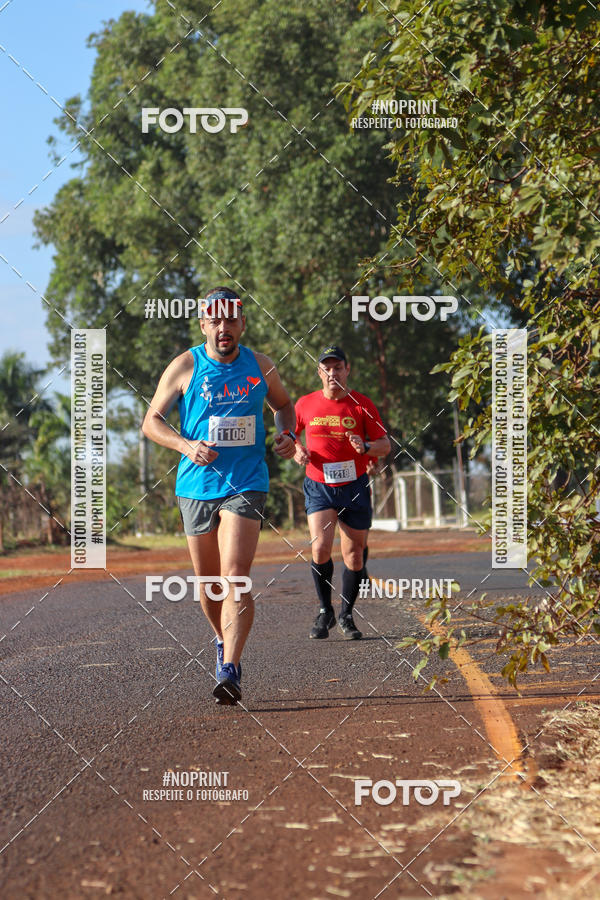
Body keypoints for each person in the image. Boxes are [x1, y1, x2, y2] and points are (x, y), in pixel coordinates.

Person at [142, 287, 296, 704]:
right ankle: (221, 640)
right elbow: (151, 423)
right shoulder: (185, 365)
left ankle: (230, 667)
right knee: (208, 585)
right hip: (195, 485)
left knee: (234, 574)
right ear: (204, 323)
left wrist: (288, 433)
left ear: (242, 323)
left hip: (246, 481)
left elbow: (284, 405)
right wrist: (185, 446)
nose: (223, 327)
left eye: (231, 319)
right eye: (215, 319)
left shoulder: (261, 366)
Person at [293, 346, 391, 640]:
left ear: (347, 370)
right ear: (319, 372)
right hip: (319, 485)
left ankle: (347, 615)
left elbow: (385, 444)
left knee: (354, 555)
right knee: (320, 548)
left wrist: (367, 447)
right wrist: (297, 449)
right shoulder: (305, 404)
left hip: (355, 485)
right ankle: (325, 611)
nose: (332, 373)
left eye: (338, 367)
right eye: (327, 368)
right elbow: (289, 433)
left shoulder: (361, 405)